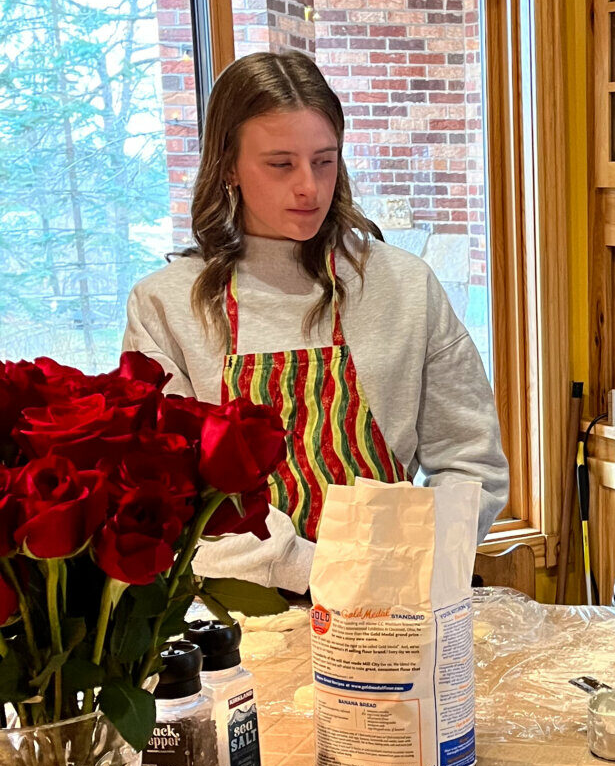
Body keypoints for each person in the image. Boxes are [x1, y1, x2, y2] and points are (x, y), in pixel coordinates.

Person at [123, 50, 508, 592]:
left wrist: (415, 565)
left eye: (324, 160)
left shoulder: (403, 285)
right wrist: (319, 570)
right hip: (241, 615)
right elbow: (175, 495)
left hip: (396, 599)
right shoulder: (167, 304)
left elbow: (471, 463)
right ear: (228, 165)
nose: (309, 187)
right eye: (281, 164)